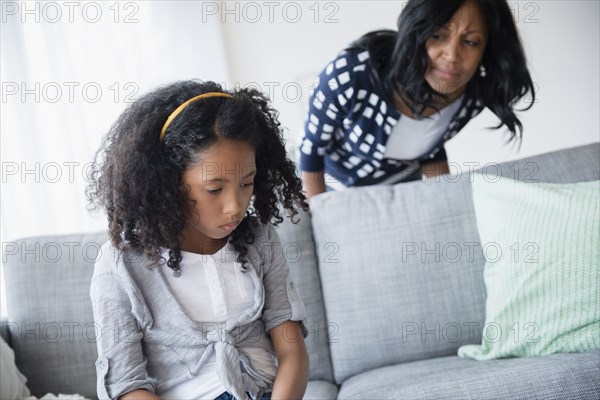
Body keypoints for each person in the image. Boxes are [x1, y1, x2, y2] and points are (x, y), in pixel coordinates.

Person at [86, 80, 310, 400]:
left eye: (247, 183)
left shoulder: (259, 239)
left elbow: (292, 353)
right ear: (168, 182)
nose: (235, 205)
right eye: (214, 189)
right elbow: (126, 385)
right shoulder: (120, 264)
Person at [299, 0, 536, 197]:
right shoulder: (351, 74)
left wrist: (444, 203)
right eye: (438, 35)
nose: (452, 55)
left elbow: (429, 147)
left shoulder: (473, 97)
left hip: (403, 187)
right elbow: (311, 150)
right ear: (415, 33)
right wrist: (320, 216)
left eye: (471, 42)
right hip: (330, 186)